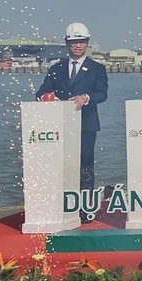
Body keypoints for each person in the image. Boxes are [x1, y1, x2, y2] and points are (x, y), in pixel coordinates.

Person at [36, 22, 109, 218]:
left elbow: (102, 94)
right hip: (60, 125)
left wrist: (86, 97)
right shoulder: (56, 68)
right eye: (74, 42)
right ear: (67, 43)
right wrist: (46, 98)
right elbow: (42, 92)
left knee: (85, 166)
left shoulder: (97, 68)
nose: (78, 45)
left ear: (87, 43)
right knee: (62, 165)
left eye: (82, 41)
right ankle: (63, 207)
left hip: (87, 124)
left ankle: (85, 208)